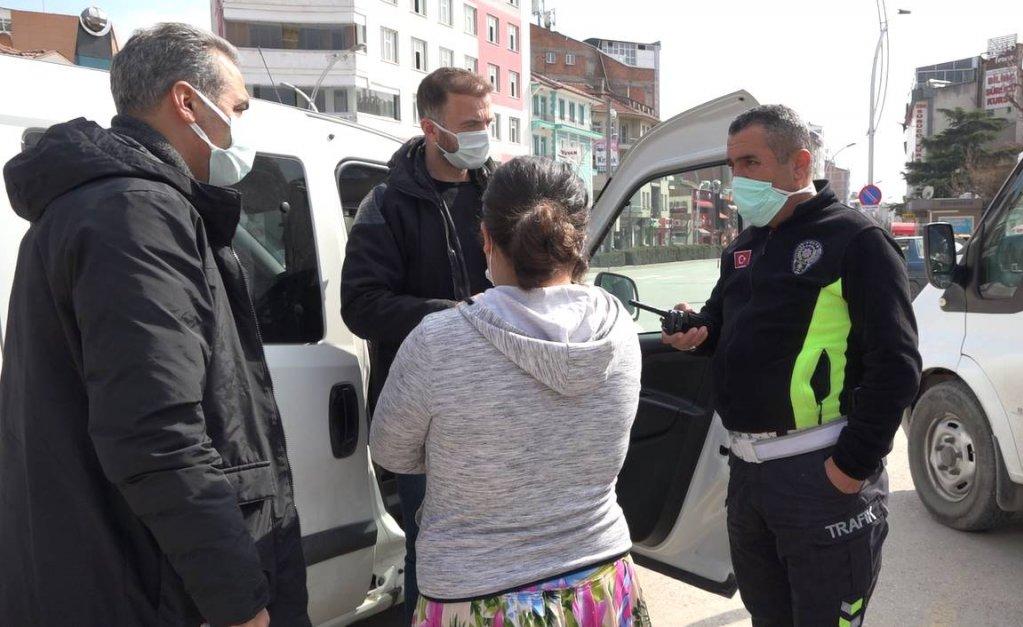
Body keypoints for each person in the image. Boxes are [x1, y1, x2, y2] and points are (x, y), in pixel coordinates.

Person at [0, 23, 307, 627]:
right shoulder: (136, 213)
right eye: (239, 107)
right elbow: (157, 434)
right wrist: (239, 602)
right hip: (147, 588)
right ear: (187, 101)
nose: (243, 126)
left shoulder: (99, 204)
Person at [663, 105, 921, 626]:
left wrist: (850, 470)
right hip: (749, 478)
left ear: (799, 165)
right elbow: (724, 319)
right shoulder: (743, 245)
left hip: (821, 475)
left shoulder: (856, 241)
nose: (738, 180)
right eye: (733, 166)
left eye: (751, 163)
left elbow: (896, 365)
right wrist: (697, 328)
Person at [369, 156, 651, 626]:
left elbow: (390, 451)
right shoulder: (617, 325)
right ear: (577, 238)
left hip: (476, 597)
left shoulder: (437, 340)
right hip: (600, 584)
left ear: (485, 238)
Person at [340, 67, 495, 622]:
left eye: (488, 121)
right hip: (426, 419)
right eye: (470, 124)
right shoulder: (387, 205)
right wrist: (452, 316)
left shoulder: (502, 195)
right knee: (429, 551)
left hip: (501, 409)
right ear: (431, 130)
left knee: (501, 552)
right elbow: (360, 306)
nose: (483, 134)